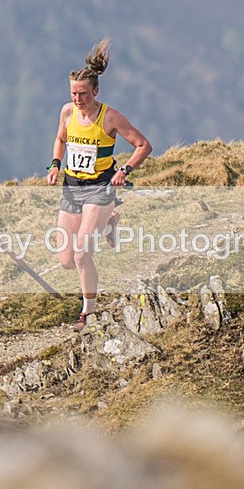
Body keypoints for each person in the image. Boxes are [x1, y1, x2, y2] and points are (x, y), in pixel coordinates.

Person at [46, 38, 152, 331]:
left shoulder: (111, 117)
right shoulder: (67, 112)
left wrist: (125, 170)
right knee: (66, 259)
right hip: (73, 186)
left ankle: (87, 312)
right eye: (73, 93)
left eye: (83, 94)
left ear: (96, 91)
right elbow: (60, 139)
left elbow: (143, 145)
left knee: (82, 255)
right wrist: (55, 165)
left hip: (100, 188)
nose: (78, 99)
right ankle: (109, 224)